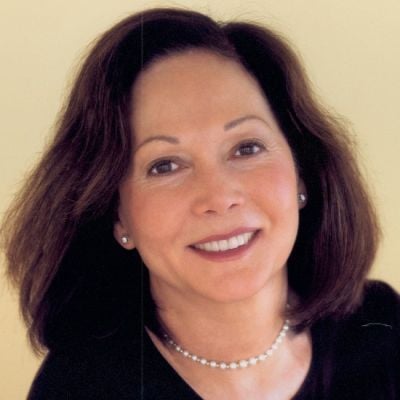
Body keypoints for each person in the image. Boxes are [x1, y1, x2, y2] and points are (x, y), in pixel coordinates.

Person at [1, 7, 399, 400]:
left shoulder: (380, 326)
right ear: (118, 215)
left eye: (246, 147)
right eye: (165, 166)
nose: (219, 197)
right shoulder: (79, 389)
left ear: (301, 172)